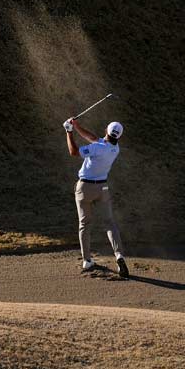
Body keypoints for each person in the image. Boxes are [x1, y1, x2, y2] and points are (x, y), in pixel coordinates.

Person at [65, 115, 128, 277]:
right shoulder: (115, 148)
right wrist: (77, 126)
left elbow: (73, 152)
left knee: (84, 224)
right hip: (103, 188)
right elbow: (93, 138)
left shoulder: (97, 148)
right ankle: (119, 255)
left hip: (85, 188)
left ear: (106, 130)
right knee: (109, 223)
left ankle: (87, 260)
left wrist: (69, 132)